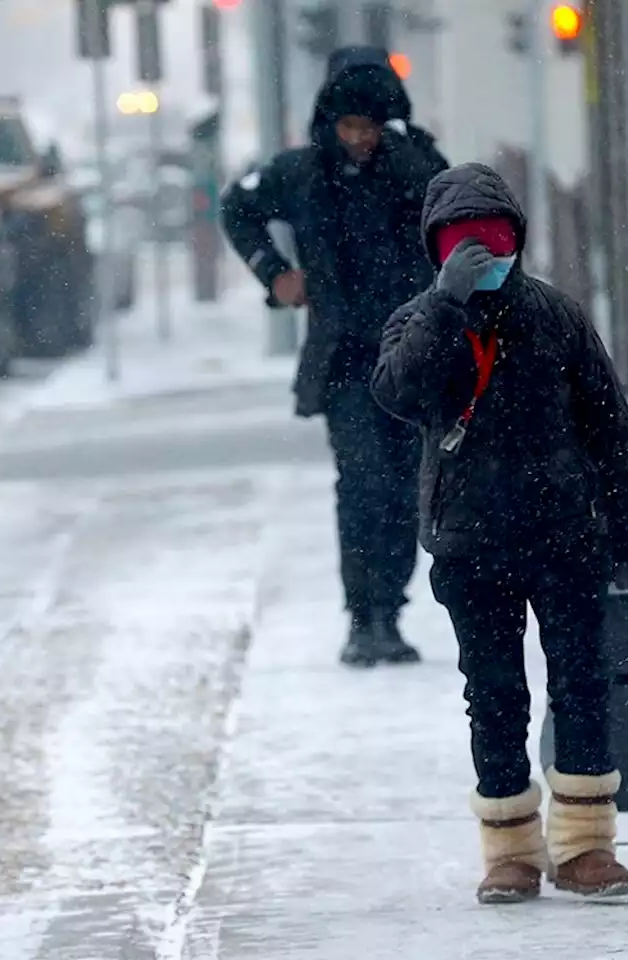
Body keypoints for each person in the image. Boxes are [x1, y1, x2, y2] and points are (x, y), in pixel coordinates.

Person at [371, 162, 628, 904]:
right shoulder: (418, 319)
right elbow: (397, 392)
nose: (483, 256)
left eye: (495, 240)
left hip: (566, 539)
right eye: (464, 244)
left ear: (518, 241)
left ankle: (587, 847)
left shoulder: (555, 317)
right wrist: (446, 306)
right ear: (436, 249)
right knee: (494, 693)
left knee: (582, 685)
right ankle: (510, 852)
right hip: (471, 547)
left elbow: (610, 429)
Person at [221, 46, 448, 667]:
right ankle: (363, 612)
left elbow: (456, 220)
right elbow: (237, 207)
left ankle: (390, 609)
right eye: (348, 128)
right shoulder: (301, 174)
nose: (358, 141)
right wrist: (274, 272)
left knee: (405, 486)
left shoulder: (415, 166)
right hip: (344, 356)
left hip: (411, 354)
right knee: (362, 481)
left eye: (368, 128)